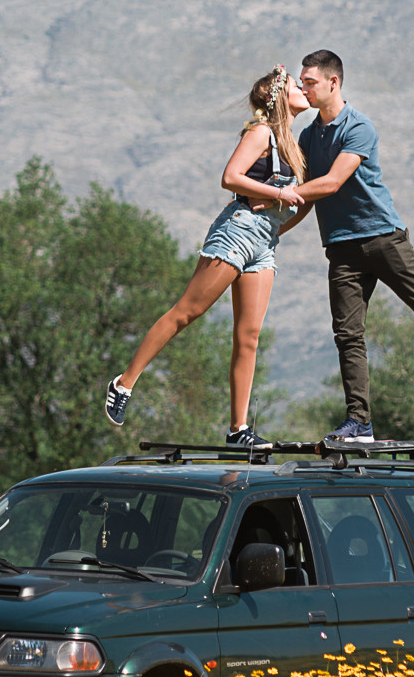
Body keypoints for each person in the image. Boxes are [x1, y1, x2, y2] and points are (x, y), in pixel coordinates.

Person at [283, 49, 414, 443]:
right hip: (341, 249)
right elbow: (306, 196)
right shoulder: (308, 136)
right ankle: (360, 422)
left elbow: (330, 183)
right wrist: (274, 230)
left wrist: (282, 195)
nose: (304, 89)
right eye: (301, 82)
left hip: (384, 238)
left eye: (310, 82)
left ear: (334, 83)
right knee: (347, 334)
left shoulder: (359, 127)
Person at [104, 65, 310, 447]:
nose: (303, 89)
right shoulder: (260, 132)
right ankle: (125, 381)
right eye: (297, 85)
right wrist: (280, 195)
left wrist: (282, 218)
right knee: (187, 312)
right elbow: (230, 177)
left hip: (264, 243)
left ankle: (239, 430)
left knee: (248, 336)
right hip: (237, 232)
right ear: (280, 95)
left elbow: (296, 204)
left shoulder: (292, 143)